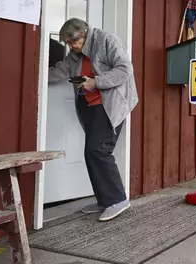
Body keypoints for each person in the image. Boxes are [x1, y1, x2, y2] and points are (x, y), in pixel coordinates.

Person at [49, 18, 138, 222]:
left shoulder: (107, 40)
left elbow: (125, 69)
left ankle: (117, 200)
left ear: (84, 33)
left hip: (109, 104)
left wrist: (96, 82)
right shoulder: (75, 54)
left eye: (73, 42)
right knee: (91, 153)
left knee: (98, 150)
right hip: (89, 106)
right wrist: (36, 74)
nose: (71, 47)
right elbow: (61, 70)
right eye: (69, 44)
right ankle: (104, 201)